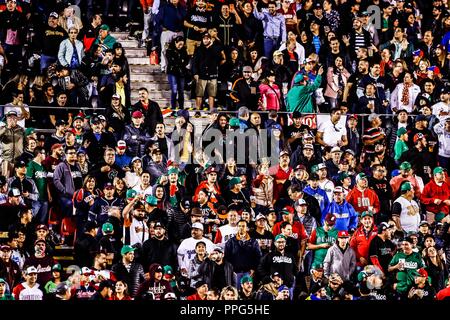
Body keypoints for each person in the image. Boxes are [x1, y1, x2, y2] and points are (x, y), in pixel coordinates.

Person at [225, 220, 262, 288]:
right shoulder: (230, 242)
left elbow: (258, 257)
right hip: (235, 272)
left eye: (243, 226)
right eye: (239, 226)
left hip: (248, 272)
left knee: (247, 291)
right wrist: (231, 270)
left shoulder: (253, 242)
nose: (241, 228)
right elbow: (227, 257)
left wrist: (253, 269)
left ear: (247, 228)